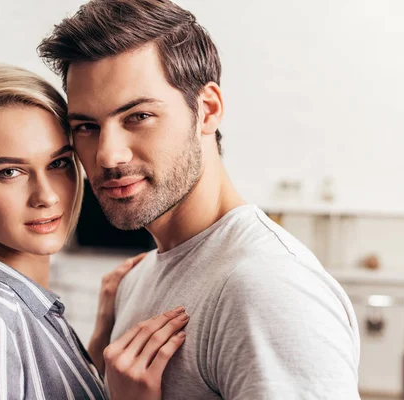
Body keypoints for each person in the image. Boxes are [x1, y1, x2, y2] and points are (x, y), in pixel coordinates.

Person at [38, 1, 361, 398]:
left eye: (138, 116)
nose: (108, 155)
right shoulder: (135, 281)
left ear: (207, 110)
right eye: (87, 127)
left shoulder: (268, 288)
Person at [0, 64, 189, 399]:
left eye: (59, 163)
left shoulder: (22, 309)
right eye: (10, 171)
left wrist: (95, 351)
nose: (47, 196)